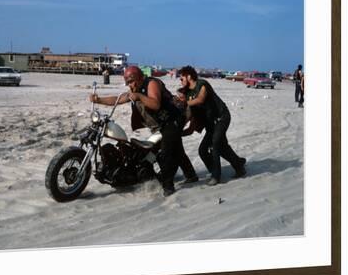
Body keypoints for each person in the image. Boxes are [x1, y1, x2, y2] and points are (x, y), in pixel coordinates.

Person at [89, 65, 197, 196]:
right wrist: (99, 100)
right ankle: (191, 175)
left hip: (172, 119)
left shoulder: (151, 83)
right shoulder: (136, 89)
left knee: (167, 152)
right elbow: (118, 99)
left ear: (138, 78)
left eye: (131, 82)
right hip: (161, 123)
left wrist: (139, 96)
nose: (129, 85)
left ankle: (168, 187)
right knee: (177, 149)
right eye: (127, 82)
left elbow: (155, 104)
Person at [178, 66, 246, 186]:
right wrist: (178, 131)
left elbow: (200, 99)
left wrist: (185, 103)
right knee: (205, 150)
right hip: (210, 124)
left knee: (215, 144)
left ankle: (216, 176)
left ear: (189, 76)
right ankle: (237, 165)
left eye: (182, 77)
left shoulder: (202, 84)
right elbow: (190, 121)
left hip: (222, 117)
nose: (180, 80)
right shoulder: (188, 94)